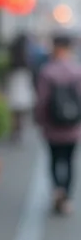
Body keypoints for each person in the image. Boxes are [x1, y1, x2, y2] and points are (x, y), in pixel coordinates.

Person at [35, 33, 81, 215]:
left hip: (52, 127)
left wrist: (40, 120)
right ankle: (67, 197)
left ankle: (57, 191)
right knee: (69, 161)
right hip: (73, 127)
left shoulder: (47, 71)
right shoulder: (77, 71)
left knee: (54, 159)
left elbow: (42, 101)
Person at [5, 33, 36, 141]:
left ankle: (14, 131)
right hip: (22, 81)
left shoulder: (13, 55)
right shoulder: (26, 56)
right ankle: (19, 130)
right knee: (21, 111)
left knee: (14, 110)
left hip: (15, 81)